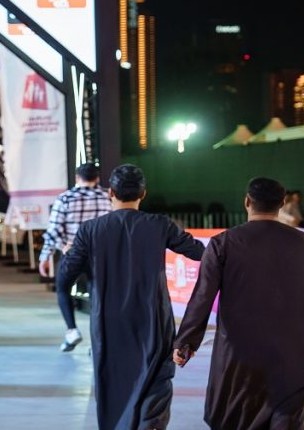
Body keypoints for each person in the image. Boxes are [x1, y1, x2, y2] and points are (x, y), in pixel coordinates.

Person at [173, 177, 304, 429]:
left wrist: (186, 342)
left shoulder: (223, 243)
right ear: (282, 203)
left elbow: (202, 296)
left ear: (247, 202)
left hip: (240, 359)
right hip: (295, 360)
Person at [56, 164, 205, 430]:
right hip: (153, 323)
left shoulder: (90, 230)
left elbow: (64, 278)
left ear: (110, 192)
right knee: (155, 385)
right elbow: (201, 253)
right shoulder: (160, 225)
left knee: (113, 388)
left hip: (108, 326)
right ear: (143, 194)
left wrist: (72, 256)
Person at [37, 162, 111, 352]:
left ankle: (72, 330)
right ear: (97, 178)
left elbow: (54, 230)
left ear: (77, 177)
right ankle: (98, 341)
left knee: (63, 289)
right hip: (99, 255)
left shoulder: (65, 198)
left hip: (73, 252)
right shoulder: (107, 197)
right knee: (98, 296)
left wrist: (46, 255)